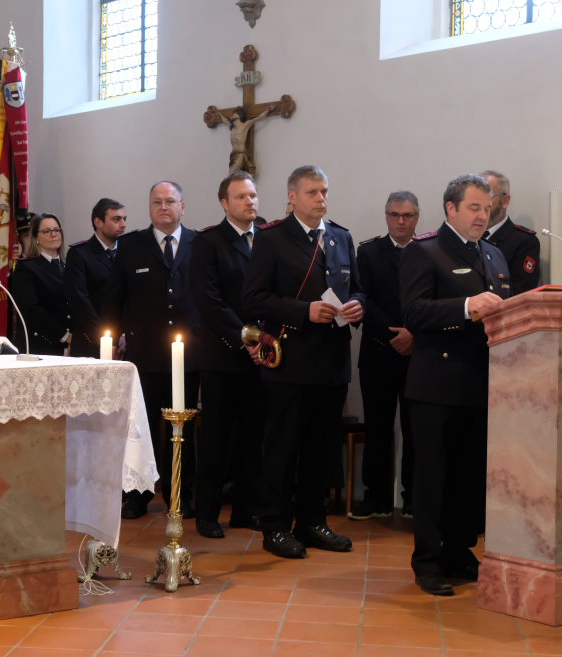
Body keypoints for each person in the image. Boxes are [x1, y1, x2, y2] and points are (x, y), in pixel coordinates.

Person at [242, 165, 365, 559]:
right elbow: (253, 299)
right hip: (290, 362)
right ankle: (276, 527)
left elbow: (358, 288)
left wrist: (358, 305)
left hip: (331, 361)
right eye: (313, 192)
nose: (321, 199)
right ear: (292, 196)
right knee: (282, 449)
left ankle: (313, 522)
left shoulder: (341, 237)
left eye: (324, 191)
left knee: (321, 449)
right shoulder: (272, 238)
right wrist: (304, 311)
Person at [400, 174, 511, 596]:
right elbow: (414, 312)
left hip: (482, 382)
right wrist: (466, 306)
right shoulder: (424, 250)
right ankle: (428, 561)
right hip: (437, 384)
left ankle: (459, 551)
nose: (483, 216)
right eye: (474, 208)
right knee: (433, 477)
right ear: (451, 208)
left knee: (469, 475)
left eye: (487, 208)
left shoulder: (494, 255)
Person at [102, 181, 201, 520]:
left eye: (170, 201)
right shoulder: (131, 246)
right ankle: (137, 495)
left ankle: (181, 494)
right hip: (144, 354)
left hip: (188, 356)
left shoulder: (199, 243)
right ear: (149, 208)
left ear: (182, 207)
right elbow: (114, 298)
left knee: (183, 429)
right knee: (139, 430)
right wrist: (113, 341)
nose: (163, 207)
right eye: (157, 202)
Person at [190, 171, 264, 538]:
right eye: (241, 197)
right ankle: (207, 513)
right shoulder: (208, 242)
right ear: (224, 203)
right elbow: (210, 301)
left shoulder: (267, 237)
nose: (250, 201)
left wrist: (264, 340)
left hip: (263, 355)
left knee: (254, 436)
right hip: (223, 354)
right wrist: (245, 337)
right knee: (217, 438)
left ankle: (246, 510)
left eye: (253, 195)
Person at [351, 191, 419, 520]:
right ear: (386, 216)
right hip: (379, 351)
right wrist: (394, 335)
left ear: (417, 217)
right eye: (394, 214)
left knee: (416, 429)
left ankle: (413, 497)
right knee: (378, 427)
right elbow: (363, 298)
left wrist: (413, 334)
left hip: (418, 353)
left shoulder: (428, 250)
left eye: (407, 215)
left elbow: (431, 300)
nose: (400, 221)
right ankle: (375, 497)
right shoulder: (368, 251)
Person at [66, 198, 127, 358]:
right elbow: (80, 302)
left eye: (124, 219)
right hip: (91, 341)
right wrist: (105, 341)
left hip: (126, 342)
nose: (123, 225)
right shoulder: (80, 254)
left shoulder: (129, 252)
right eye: (116, 219)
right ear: (98, 222)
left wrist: (125, 335)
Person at [10, 213, 70, 355]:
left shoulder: (68, 267)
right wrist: (64, 336)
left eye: (56, 230)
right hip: (40, 346)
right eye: (47, 231)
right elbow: (31, 310)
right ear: (36, 237)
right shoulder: (27, 267)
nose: (54, 234)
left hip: (67, 344)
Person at [480, 170, 541, 295]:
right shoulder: (467, 236)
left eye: (489, 195)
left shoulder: (523, 241)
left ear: (505, 201)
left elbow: (521, 293)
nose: (481, 203)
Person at [224, 104, 274, 176]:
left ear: (239, 116)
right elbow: (224, 120)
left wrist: (268, 110)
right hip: (233, 156)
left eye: (234, 114)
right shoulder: (232, 127)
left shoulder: (245, 125)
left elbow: (259, 117)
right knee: (234, 176)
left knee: (231, 174)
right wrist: (218, 115)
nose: (231, 116)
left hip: (241, 155)